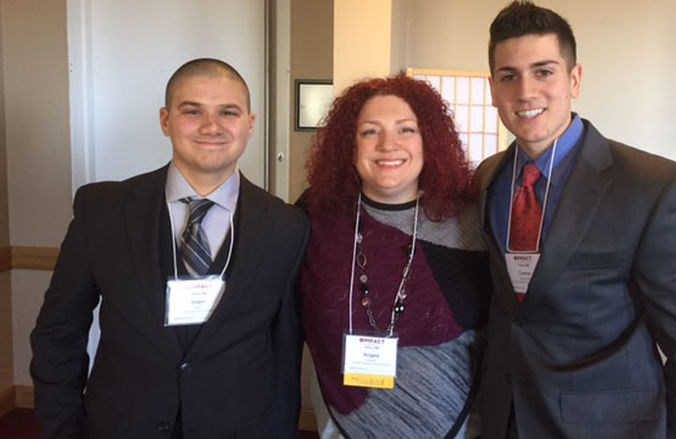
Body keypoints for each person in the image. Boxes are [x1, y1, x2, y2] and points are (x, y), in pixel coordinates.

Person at [477, 2, 676, 438]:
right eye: (509, 76)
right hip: (506, 418)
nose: (525, 92)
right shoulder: (489, 178)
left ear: (574, 79)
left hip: (608, 427)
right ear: (493, 87)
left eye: (544, 71)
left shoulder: (656, 187)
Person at [30, 58, 308, 439]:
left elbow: (285, 353)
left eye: (228, 112)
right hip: (120, 427)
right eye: (192, 111)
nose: (212, 126)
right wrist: (62, 428)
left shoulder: (288, 226)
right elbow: (59, 332)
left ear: (249, 124)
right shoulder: (102, 212)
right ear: (165, 120)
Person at [298, 74, 491, 439]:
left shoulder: (473, 222)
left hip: (459, 428)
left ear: (429, 141)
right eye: (370, 131)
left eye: (406, 130)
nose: (388, 144)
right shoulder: (315, 218)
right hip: (339, 428)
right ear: (349, 146)